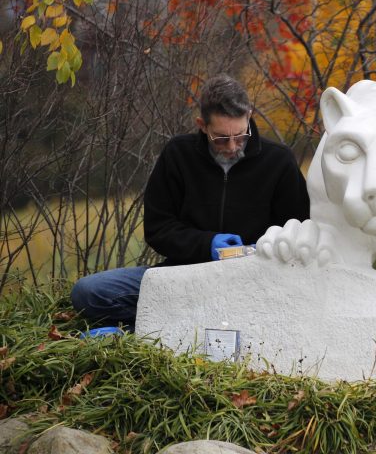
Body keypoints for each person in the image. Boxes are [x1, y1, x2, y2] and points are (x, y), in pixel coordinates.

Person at [70, 74, 310, 330]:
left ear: (249, 116)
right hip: (183, 276)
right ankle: (171, 325)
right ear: (202, 125)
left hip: (252, 283)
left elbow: (300, 229)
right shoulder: (178, 155)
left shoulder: (278, 161)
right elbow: (158, 228)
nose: (232, 146)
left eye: (241, 135)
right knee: (88, 292)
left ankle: (141, 331)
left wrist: (260, 251)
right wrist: (207, 244)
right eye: (220, 138)